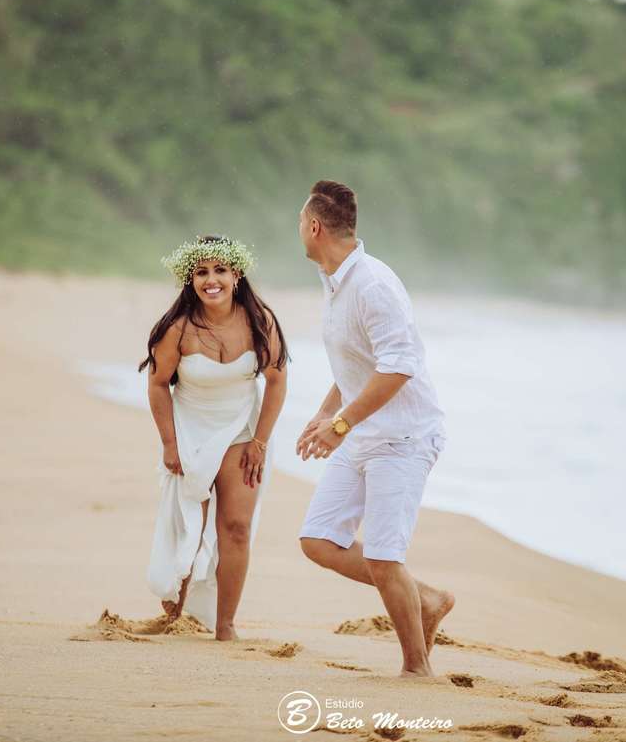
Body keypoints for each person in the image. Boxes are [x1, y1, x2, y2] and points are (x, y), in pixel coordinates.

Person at [295, 180, 454, 678]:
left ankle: (417, 669)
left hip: (403, 438)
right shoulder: (337, 280)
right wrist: (326, 413)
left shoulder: (373, 283)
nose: (299, 231)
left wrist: (340, 424)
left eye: (300, 223)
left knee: (386, 558)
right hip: (362, 432)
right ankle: (425, 597)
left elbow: (398, 366)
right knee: (319, 539)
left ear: (315, 226)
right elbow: (356, 364)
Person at [138, 235, 288, 640]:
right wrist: (170, 444)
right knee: (188, 524)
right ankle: (174, 616)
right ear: (191, 280)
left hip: (242, 429)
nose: (211, 280)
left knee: (236, 527)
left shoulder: (261, 322)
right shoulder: (177, 329)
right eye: (201, 272)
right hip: (191, 430)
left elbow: (276, 381)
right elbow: (157, 386)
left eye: (219, 270)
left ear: (236, 274)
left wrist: (259, 441)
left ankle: (225, 626)